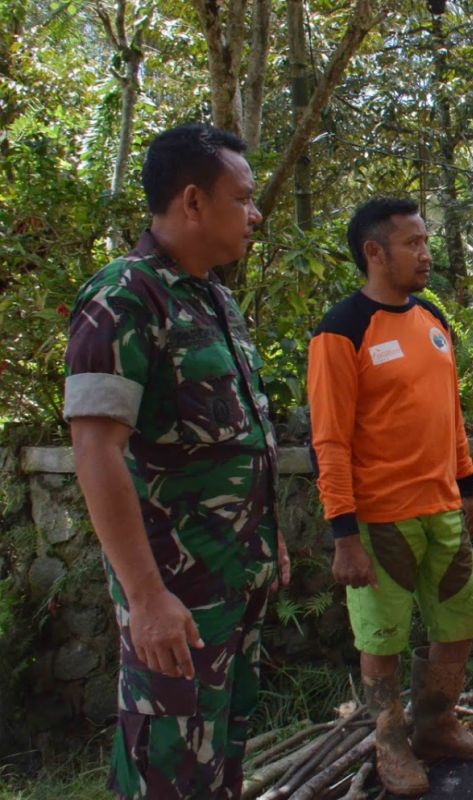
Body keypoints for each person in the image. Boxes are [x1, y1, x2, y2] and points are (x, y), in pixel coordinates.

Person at [64, 123, 290, 798]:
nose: (255, 213)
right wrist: (145, 598)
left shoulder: (214, 297)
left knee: (220, 761)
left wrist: (265, 536)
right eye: (243, 197)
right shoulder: (124, 298)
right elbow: (95, 447)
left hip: (233, 585)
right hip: (176, 602)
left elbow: (237, 441)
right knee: (165, 770)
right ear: (193, 202)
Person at [307, 198, 473, 796]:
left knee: (462, 622)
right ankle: (391, 742)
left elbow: (452, 419)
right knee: (381, 639)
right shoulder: (340, 331)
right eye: (413, 243)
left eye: (425, 240)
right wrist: (343, 535)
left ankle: (436, 726)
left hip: (443, 509)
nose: (426, 253)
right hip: (377, 522)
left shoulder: (433, 320)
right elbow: (329, 442)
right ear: (374, 251)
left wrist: (468, 491)